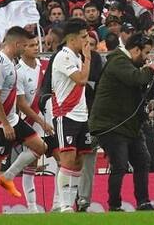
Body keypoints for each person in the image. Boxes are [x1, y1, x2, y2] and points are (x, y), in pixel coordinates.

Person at [89, 33, 154, 212]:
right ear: (135, 49)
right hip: (110, 125)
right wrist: (151, 69)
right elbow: (136, 78)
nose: (147, 58)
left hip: (129, 124)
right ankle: (114, 205)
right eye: (145, 53)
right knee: (120, 164)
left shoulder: (128, 63)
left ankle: (143, 202)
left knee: (142, 161)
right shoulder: (118, 61)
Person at [0, 27, 47, 215]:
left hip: (12, 119)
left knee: (40, 147)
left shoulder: (10, 61)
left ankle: (7, 177)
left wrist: (11, 121)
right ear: (16, 44)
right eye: (24, 45)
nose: (25, 48)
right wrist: (6, 124)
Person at [50, 19, 92, 213]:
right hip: (65, 114)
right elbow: (82, 80)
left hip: (81, 115)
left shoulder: (77, 57)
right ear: (73, 39)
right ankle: (63, 204)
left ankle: (70, 203)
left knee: (78, 161)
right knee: (67, 159)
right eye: (83, 37)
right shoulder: (63, 56)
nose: (87, 40)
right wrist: (88, 58)